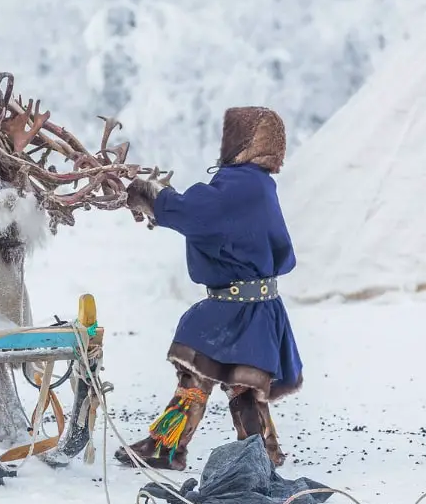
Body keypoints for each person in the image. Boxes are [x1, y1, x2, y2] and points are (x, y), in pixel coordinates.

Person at [116, 106, 303, 471]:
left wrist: (152, 197)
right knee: (228, 378)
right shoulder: (257, 183)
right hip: (255, 306)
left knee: (223, 380)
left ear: (242, 141)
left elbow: (198, 212)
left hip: (235, 308)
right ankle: (248, 451)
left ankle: (200, 450)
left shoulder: (241, 184)